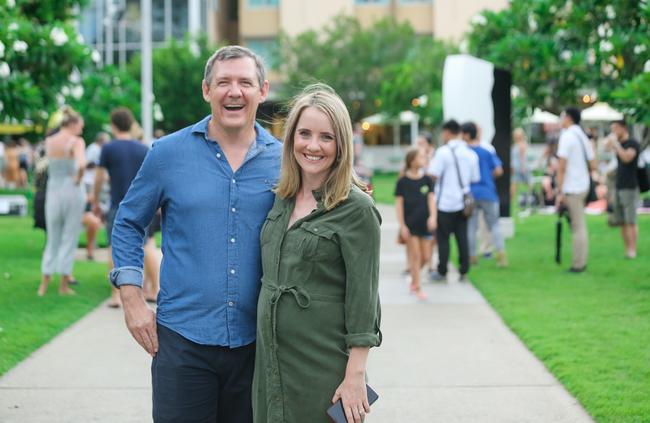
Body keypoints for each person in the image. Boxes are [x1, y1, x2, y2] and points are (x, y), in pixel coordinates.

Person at [109, 46, 281, 423]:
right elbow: (127, 223)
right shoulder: (167, 154)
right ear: (206, 90)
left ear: (263, 91)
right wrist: (133, 299)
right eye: (223, 82)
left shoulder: (285, 162)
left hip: (260, 346)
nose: (234, 91)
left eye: (245, 83)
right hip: (182, 342)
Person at [253, 84, 381, 423]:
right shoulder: (281, 198)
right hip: (272, 365)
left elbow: (364, 299)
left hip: (323, 366)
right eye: (304, 133)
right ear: (290, 137)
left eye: (326, 137)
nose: (313, 145)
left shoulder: (357, 209)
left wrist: (355, 374)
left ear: (341, 145)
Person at [92, 108, 150, 308]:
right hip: (143, 206)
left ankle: (115, 296)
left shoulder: (108, 148)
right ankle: (150, 289)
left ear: (113, 125)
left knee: (113, 247)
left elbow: (99, 177)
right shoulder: (143, 148)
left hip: (118, 204)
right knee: (145, 246)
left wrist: (94, 200)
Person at [37, 107, 86, 296]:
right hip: (72, 190)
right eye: (80, 124)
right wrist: (79, 178)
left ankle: (44, 284)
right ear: (73, 124)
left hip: (53, 190)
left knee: (53, 237)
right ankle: (63, 286)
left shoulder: (49, 141)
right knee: (69, 237)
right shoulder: (76, 141)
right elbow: (81, 164)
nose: (82, 128)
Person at [429, 119, 479, 281]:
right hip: (463, 203)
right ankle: (464, 269)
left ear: (447, 132)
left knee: (443, 239)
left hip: (445, 202)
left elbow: (433, 174)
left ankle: (442, 270)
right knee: (461, 237)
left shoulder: (443, 152)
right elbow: (474, 178)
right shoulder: (471, 154)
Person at [555, 107, 596, 273]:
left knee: (578, 226)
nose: (560, 119)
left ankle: (578, 263)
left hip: (573, 186)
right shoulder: (582, 135)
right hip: (583, 185)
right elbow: (593, 164)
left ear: (569, 118)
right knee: (578, 224)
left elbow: (561, 167)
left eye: (562, 116)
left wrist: (559, 191)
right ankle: (579, 261)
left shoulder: (567, 136)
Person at [461, 122, 507, 267]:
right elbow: (499, 170)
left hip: (471, 194)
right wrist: (488, 176)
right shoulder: (486, 151)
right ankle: (501, 254)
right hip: (488, 192)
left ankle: (472, 256)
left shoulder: (464, 153)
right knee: (494, 225)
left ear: (467, 135)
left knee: (471, 226)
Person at [395, 148, 436, 299]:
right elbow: (399, 205)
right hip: (410, 225)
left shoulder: (427, 180)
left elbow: (431, 200)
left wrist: (433, 217)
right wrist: (402, 225)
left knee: (426, 257)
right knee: (416, 256)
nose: (424, 159)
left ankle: (413, 277)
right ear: (412, 161)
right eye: (421, 157)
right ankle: (417, 287)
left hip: (424, 224)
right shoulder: (403, 182)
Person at [606, 120, 641, 259]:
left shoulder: (633, 144)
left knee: (630, 221)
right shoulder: (618, 144)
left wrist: (617, 145)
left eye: (615, 128)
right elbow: (605, 148)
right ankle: (627, 249)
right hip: (618, 185)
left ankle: (633, 250)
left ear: (623, 128)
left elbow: (627, 158)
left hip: (630, 186)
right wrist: (611, 143)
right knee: (621, 221)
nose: (613, 131)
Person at [82, 132, 110, 261]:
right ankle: (91, 245)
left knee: (98, 216)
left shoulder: (99, 149)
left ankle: (93, 243)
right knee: (93, 214)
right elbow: (87, 164)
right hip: (90, 183)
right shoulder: (93, 149)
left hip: (97, 184)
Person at [510, 127, 529, 202]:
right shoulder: (519, 144)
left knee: (515, 184)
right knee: (516, 184)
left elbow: (521, 157)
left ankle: (528, 199)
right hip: (517, 166)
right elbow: (521, 157)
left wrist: (522, 167)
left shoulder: (519, 145)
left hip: (517, 167)